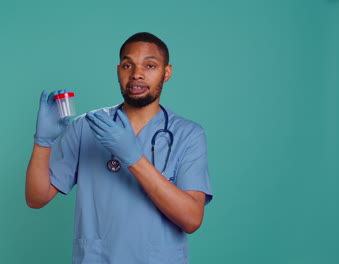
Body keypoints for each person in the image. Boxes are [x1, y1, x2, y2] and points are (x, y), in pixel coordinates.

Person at [25, 32, 213, 264]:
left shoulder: (187, 134)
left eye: (150, 65)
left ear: (166, 73)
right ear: (118, 70)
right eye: (127, 65)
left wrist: (133, 157)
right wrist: (43, 142)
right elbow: (36, 198)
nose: (137, 74)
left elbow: (192, 219)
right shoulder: (86, 126)